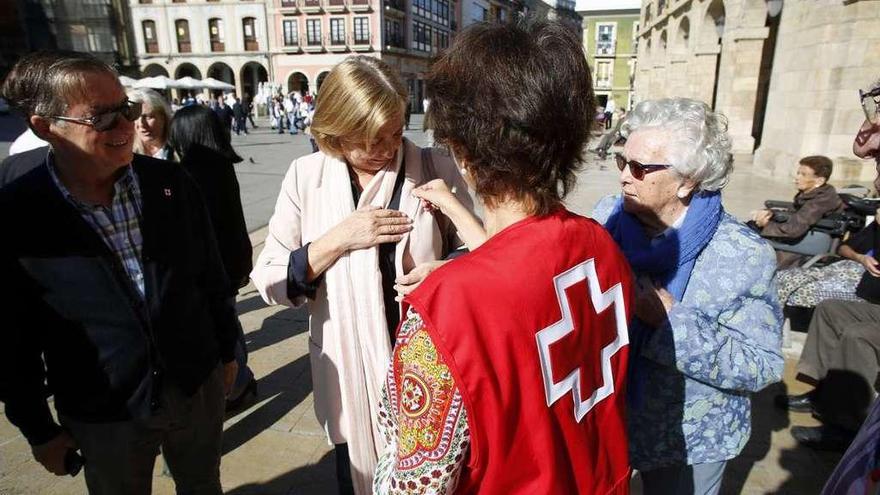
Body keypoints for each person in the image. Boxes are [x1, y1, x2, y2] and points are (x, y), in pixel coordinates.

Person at [374, 21, 633, 494]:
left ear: (463, 151)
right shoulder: (601, 244)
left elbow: (415, 483)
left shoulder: (446, 311)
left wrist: (455, 285)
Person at [0, 50, 238, 495]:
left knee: (203, 485)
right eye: (102, 118)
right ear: (45, 126)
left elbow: (210, 277)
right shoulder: (17, 213)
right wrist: (37, 430)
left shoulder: (169, 183)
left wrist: (226, 353)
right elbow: (11, 340)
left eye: (126, 109)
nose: (127, 126)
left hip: (195, 384)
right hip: (105, 412)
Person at [249, 55, 473, 495]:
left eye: (395, 132)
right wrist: (338, 239)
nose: (388, 147)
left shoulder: (434, 168)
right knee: (356, 478)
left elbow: (481, 253)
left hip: (428, 375)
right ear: (334, 133)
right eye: (370, 138)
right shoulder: (305, 177)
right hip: (350, 377)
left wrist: (444, 272)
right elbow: (271, 277)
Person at [592, 97, 784, 495]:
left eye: (641, 168)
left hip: (688, 441)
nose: (625, 177)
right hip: (606, 420)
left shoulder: (741, 253)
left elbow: (762, 366)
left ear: (688, 180)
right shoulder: (605, 217)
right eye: (621, 162)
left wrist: (668, 321)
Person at [775, 79, 880, 455]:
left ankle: (845, 426)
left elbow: (799, 228)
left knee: (859, 336)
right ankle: (820, 390)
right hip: (871, 299)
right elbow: (851, 247)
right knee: (832, 311)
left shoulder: (821, 199)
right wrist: (861, 258)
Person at [169, 105, 257, 412]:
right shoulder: (219, 164)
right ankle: (241, 381)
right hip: (232, 259)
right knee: (230, 321)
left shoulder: (192, 171)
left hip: (215, 265)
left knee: (227, 327)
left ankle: (239, 383)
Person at [750, 155, 843, 267]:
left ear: (819, 180)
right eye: (798, 173)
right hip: (798, 237)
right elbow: (794, 211)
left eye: (803, 175)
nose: (797, 178)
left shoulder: (821, 201)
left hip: (802, 247)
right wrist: (771, 213)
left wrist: (766, 225)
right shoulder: (811, 193)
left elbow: (793, 230)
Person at [127, 88, 174, 160]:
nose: (141, 124)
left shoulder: (179, 150)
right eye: (135, 117)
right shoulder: (127, 154)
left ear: (163, 117)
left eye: (148, 117)